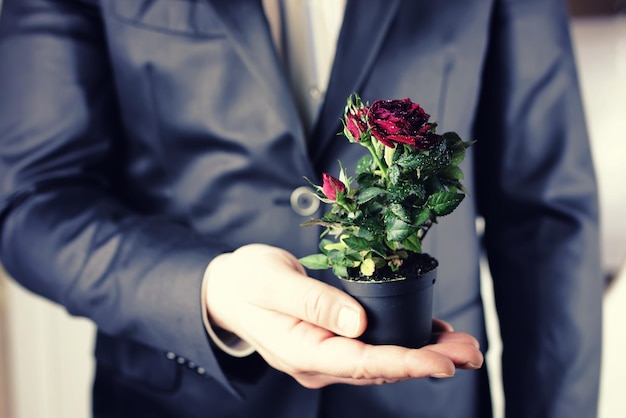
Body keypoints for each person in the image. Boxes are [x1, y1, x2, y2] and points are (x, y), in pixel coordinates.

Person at [0, 0, 601, 417]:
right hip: (181, 398)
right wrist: (209, 292)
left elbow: (547, 214)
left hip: (426, 399)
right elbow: (33, 199)